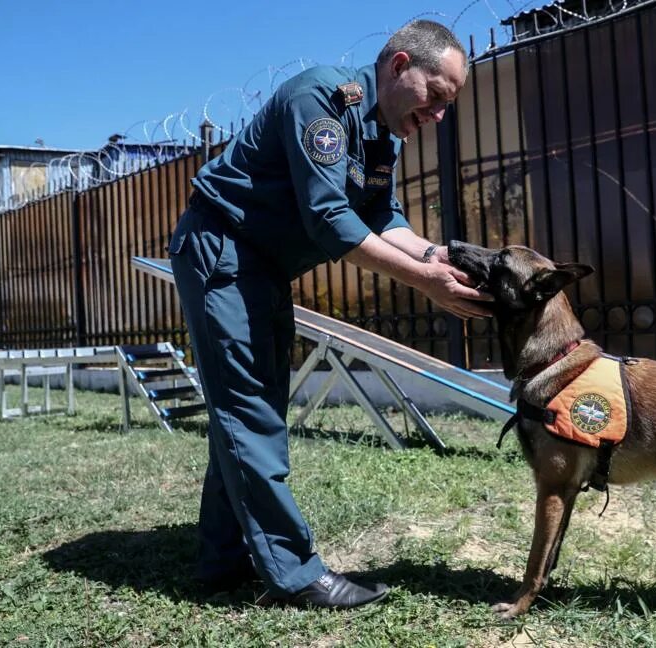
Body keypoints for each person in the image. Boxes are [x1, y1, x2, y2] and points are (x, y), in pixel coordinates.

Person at [168, 20, 490, 610]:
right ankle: (294, 574)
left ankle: (221, 560)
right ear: (399, 66)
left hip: (261, 267)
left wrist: (435, 256)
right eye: (437, 97)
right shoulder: (321, 99)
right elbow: (330, 220)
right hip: (224, 251)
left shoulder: (383, 136)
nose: (440, 116)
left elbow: (384, 219)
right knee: (249, 411)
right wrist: (426, 281)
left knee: (254, 406)